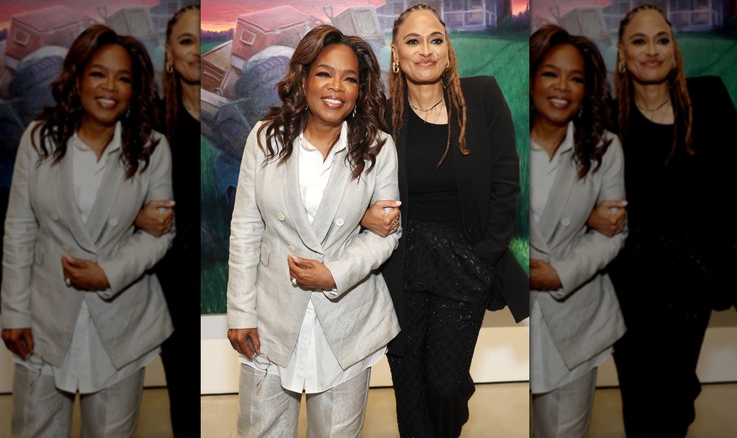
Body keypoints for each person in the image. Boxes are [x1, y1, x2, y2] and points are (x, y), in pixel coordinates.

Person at [360, 4, 527, 437]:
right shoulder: (380, 114)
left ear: (448, 49)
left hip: (464, 261)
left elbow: (506, 181)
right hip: (402, 264)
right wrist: (364, 215)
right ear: (395, 52)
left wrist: (485, 256)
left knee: (446, 383)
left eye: (435, 39)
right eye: (413, 41)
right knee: (410, 392)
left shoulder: (483, 95)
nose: (426, 50)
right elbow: (349, 186)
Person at [226, 25, 400, 437]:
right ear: (303, 80)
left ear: (361, 90)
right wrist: (240, 312)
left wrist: (334, 274)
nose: (336, 86)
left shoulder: (378, 148)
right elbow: (246, 228)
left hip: (346, 321)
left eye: (350, 78)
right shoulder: (265, 139)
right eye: (324, 73)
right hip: (270, 318)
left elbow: (387, 233)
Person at [0, 24, 173, 436]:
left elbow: (161, 233)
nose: (110, 86)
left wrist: (108, 273)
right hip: (44, 320)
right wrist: (14, 312)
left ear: (135, 90)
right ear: (76, 79)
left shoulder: (151, 148)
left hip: (121, 323)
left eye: (124, 77)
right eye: (98, 73)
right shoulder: (39, 140)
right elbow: (20, 229)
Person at [590, 4, 737, 436]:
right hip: (630, 284)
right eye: (639, 41)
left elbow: (733, 195)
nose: (652, 51)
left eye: (662, 39)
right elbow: (579, 197)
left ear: (675, 49)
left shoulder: (710, 98)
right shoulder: (608, 117)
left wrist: (707, 260)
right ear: (622, 53)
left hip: (689, 282)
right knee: (640, 399)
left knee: (678, 398)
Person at [527, 24, 627, 437]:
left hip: (575, 318)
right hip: (518, 316)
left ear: (588, 90)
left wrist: (559, 274)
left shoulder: (604, 147)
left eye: (577, 78)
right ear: (531, 76)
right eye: (551, 73)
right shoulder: (504, 141)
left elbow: (613, 232)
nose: (563, 87)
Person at [134, 4, 201, 436]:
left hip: (238, 277)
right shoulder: (150, 122)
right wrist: (134, 214)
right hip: (171, 280)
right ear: (169, 54)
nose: (196, 52)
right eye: (185, 41)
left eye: (201, 41)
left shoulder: (234, 121)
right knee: (184, 395)